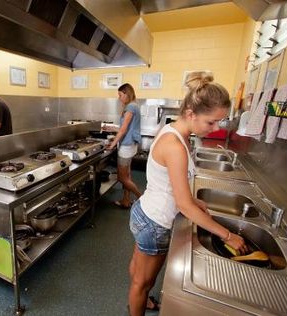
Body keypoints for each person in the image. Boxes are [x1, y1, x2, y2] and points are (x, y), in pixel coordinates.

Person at [127, 72, 248, 316]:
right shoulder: (176, 146)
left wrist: (192, 199)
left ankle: (141, 299)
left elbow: (170, 184)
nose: (215, 128)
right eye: (211, 122)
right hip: (155, 222)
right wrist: (227, 235)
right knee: (143, 282)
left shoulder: (174, 130)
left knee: (138, 271)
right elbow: (183, 206)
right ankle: (138, 302)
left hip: (145, 211)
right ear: (191, 114)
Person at [105, 83, 142, 208]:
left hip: (126, 146)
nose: (119, 97)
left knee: (122, 178)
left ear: (127, 93)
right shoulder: (134, 106)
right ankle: (126, 201)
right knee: (127, 175)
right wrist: (113, 128)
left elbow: (123, 129)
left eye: (120, 95)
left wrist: (112, 145)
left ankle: (142, 199)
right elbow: (126, 128)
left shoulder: (130, 107)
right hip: (131, 145)